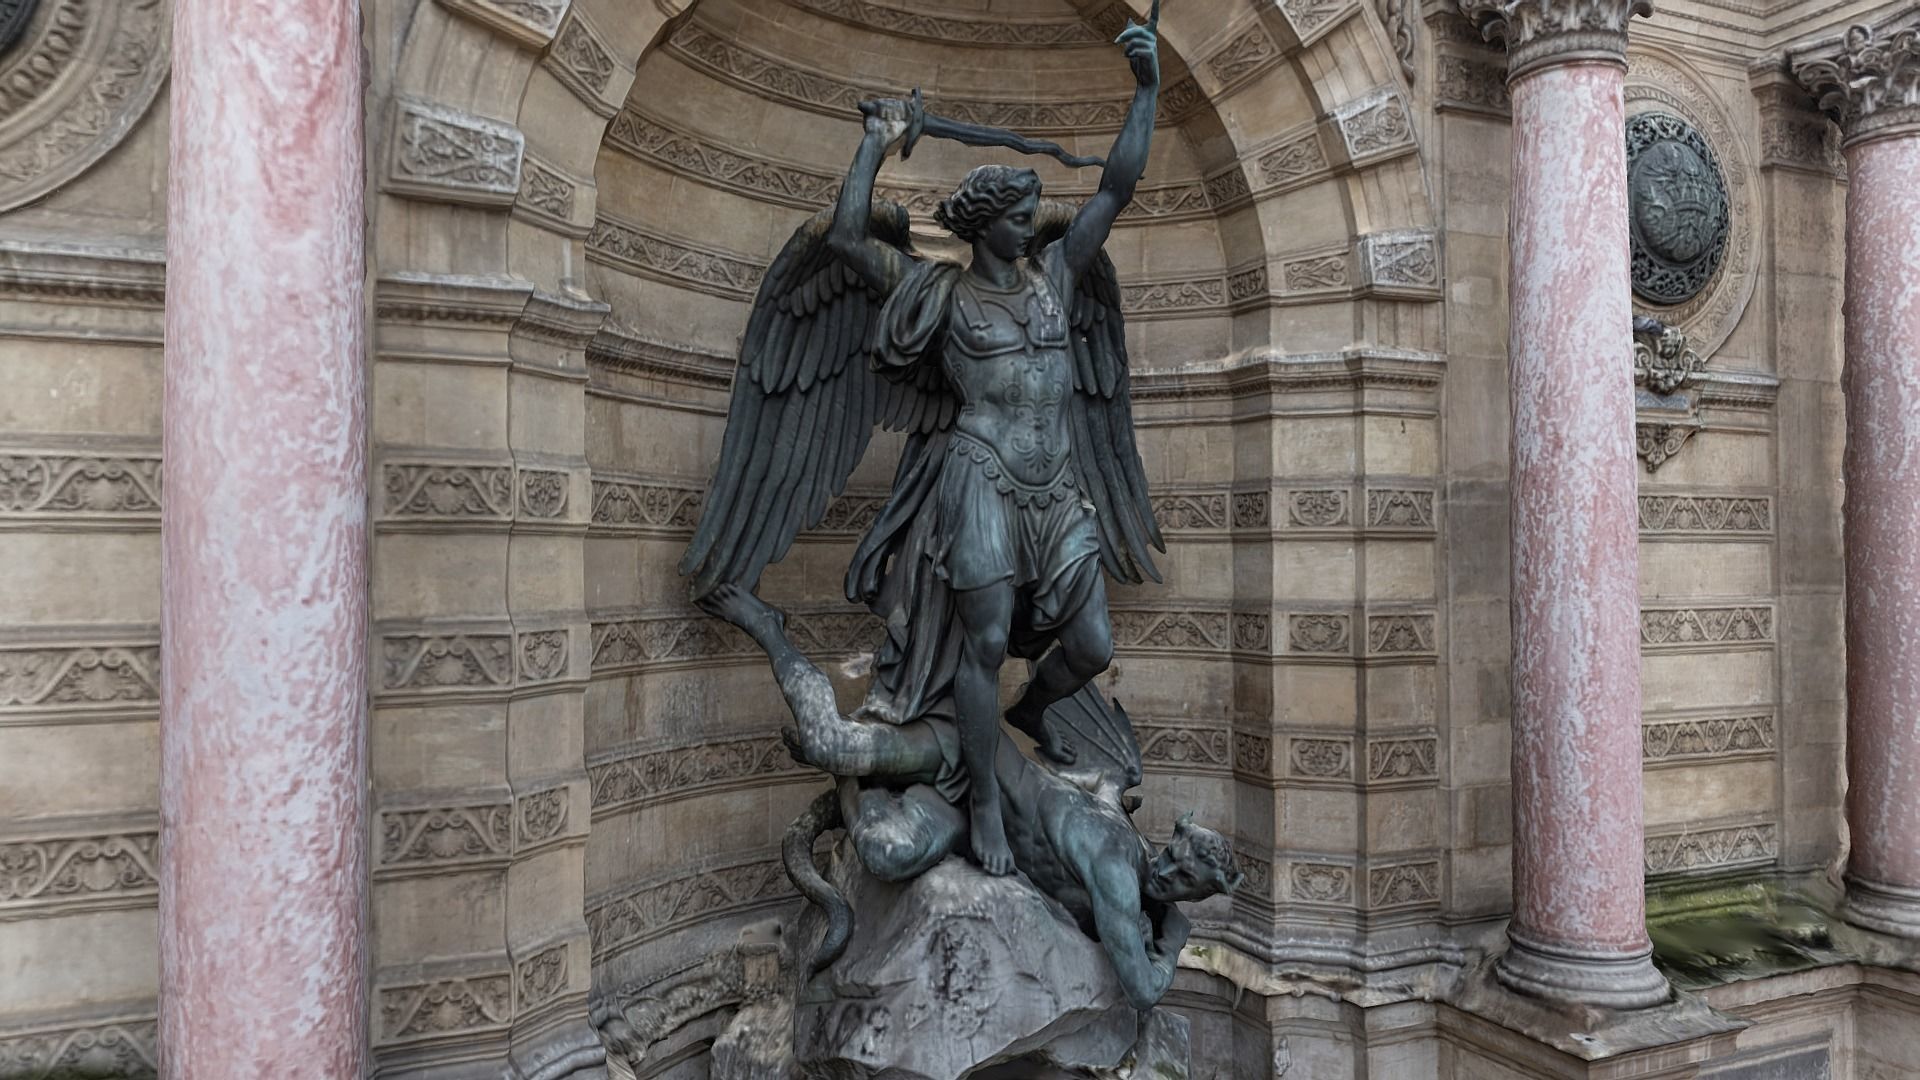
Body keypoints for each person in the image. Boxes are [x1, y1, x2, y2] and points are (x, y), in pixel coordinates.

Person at [820, 18, 1165, 877]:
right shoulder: (937, 293)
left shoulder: (1060, 276)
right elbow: (847, 239)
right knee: (980, 647)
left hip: (1058, 489)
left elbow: (1117, 187)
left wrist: (1147, 91)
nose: (1030, 226)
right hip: (979, 478)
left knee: (1092, 645)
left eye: (1029, 215)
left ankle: (1034, 711)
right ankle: (982, 805)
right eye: (1016, 218)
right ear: (984, 227)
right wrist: (873, 144)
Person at [702, 584, 1241, 1010]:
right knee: (829, 743)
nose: (1168, 873)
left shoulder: (1119, 820)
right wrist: (1171, 943)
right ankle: (769, 629)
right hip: (962, 751)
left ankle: (852, 782)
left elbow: (1105, 786)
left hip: (962, 820)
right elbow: (1143, 990)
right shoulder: (1117, 875)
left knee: (887, 854)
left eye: (1184, 880)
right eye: (1175, 858)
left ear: (1198, 893)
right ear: (1172, 838)